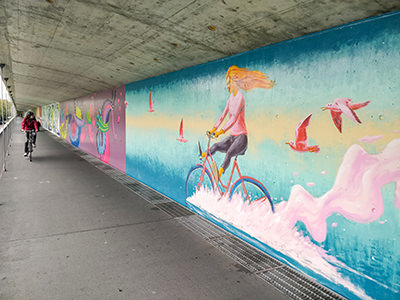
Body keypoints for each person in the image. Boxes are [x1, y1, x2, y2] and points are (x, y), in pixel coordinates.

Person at [206, 65, 276, 181]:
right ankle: (203, 156)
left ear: (235, 82)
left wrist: (220, 132)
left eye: (229, 82)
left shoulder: (240, 98)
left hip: (241, 139)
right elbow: (223, 116)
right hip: (232, 137)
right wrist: (213, 130)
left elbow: (233, 119)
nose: (227, 85)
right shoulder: (231, 98)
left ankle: (218, 174)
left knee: (228, 154)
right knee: (216, 146)